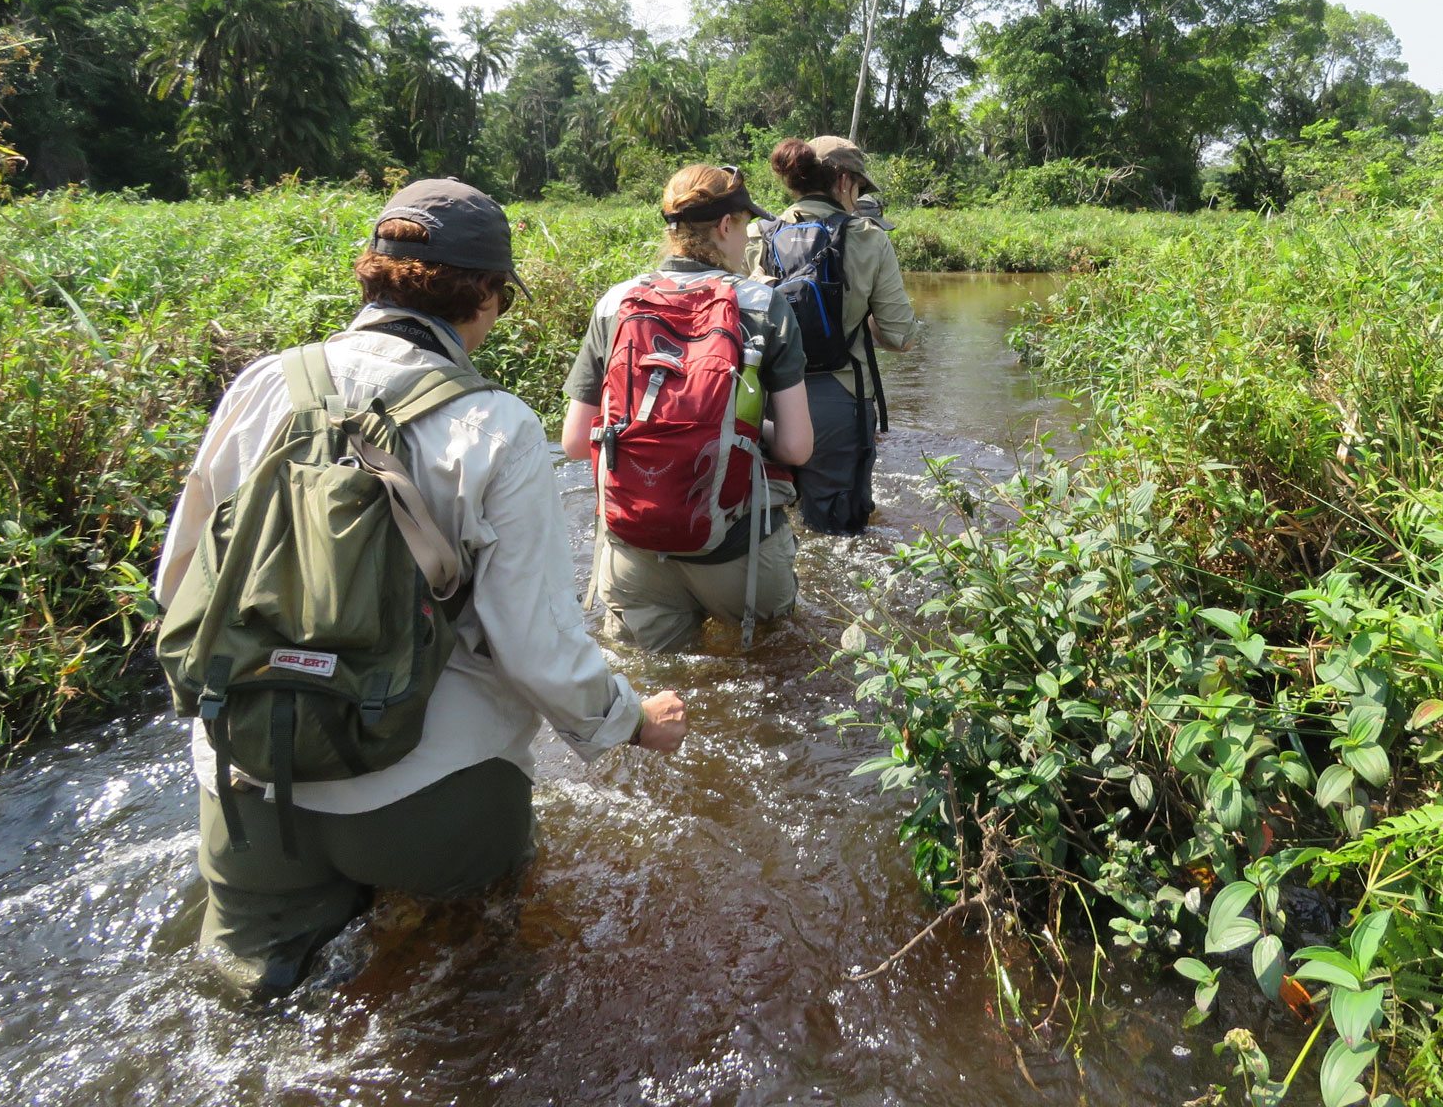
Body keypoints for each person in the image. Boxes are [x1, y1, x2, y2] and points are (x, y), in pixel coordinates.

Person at [155, 179, 687, 1002]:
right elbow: (535, 646)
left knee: (245, 1007)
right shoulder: (499, 425)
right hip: (432, 800)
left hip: (251, 780)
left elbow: (181, 578)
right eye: (501, 294)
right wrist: (630, 720)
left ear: (372, 276)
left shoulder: (264, 383)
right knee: (469, 997)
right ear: (481, 293)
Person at [561, 164, 814, 652]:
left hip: (635, 548)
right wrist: (739, 427)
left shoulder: (616, 303)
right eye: (745, 227)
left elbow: (575, 442)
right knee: (767, 676)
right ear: (725, 227)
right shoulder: (765, 305)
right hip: (739, 553)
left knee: (655, 691)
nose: (747, 240)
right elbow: (796, 447)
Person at [749, 136, 919, 535]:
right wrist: (861, 315)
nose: (857, 195)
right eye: (859, 187)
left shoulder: (760, 234)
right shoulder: (868, 236)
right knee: (839, 527)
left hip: (767, 401)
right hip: (840, 399)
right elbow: (901, 337)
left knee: (778, 519)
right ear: (843, 181)